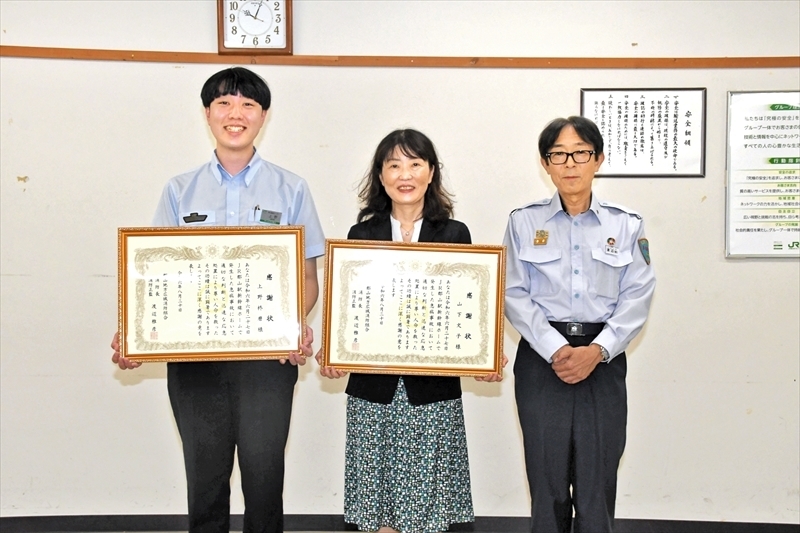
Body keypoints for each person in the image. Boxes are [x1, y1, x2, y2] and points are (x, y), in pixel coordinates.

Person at [110, 67, 325, 533]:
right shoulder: (178, 189)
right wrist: (136, 331)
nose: (236, 114)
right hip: (195, 362)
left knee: (265, 480)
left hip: (268, 360)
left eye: (248, 104)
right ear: (207, 114)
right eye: (224, 103)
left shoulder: (292, 188)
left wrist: (294, 324)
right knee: (205, 481)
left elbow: (307, 275)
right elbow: (154, 273)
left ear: (263, 117)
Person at [316, 129, 504, 533]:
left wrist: (485, 351)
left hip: (431, 392)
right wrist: (332, 352)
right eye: (394, 165)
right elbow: (348, 311)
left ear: (431, 173)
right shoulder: (360, 236)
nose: (406, 174)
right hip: (373, 392)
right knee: (376, 510)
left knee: (428, 512)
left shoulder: (454, 234)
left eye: (416, 164)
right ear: (381, 177)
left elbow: (467, 308)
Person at [503, 116, 656, 533]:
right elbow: (513, 294)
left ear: (598, 159)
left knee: (597, 480)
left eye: (580, 153)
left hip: (602, 361)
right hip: (542, 359)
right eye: (559, 155)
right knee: (546, 478)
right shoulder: (522, 222)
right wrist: (555, 349)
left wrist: (599, 350)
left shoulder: (626, 224)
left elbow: (637, 295)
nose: (570, 164)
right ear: (545, 163)